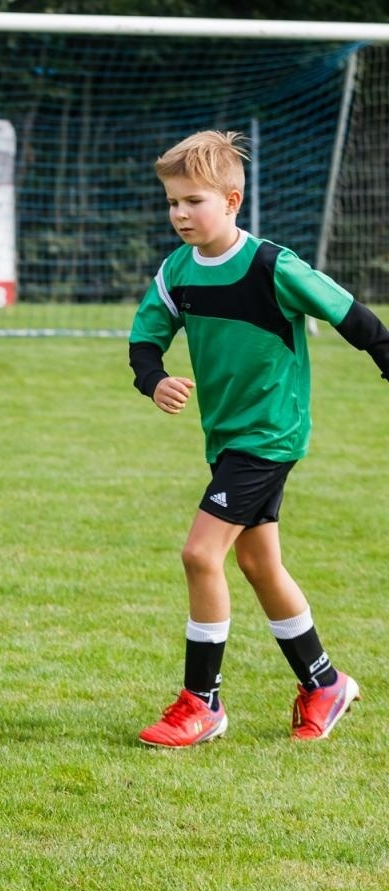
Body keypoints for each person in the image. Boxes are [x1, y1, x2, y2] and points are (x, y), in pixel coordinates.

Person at [128, 130, 389, 747]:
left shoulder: (273, 265)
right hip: (226, 438)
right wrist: (155, 380)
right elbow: (144, 341)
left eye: (193, 201)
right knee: (258, 562)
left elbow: (352, 316)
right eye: (172, 202)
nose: (180, 214)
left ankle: (202, 702)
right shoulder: (176, 271)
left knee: (201, 554)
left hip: (270, 434)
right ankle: (324, 683)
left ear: (232, 200)